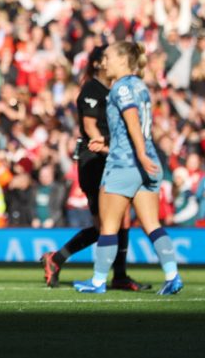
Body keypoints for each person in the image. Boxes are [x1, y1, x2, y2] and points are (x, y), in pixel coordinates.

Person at [74, 42, 183, 295]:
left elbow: (131, 118)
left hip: (124, 163)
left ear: (123, 60)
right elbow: (133, 127)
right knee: (152, 225)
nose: (104, 62)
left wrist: (136, 153)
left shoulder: (121, 87)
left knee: (109, 227)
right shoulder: (140, 86)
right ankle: (172, 275)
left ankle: (98, 281)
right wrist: (111, 143)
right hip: (147, 163)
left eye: (109, 57)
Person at [41, 46, 148, 290]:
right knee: (104, 225)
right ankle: (56, 258)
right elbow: (90, 127)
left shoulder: (117, 89)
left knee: (122, 219)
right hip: (94, 158)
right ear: (100, 63)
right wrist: (110, 150)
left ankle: (120, 275)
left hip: (114, 156)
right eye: (109, 57)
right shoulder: (91, 89)